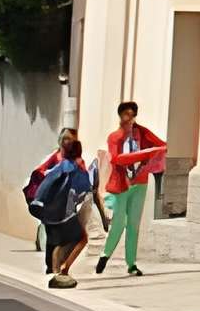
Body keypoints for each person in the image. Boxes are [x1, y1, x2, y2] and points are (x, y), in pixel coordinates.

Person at [95, 101, 167, 277]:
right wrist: (146, 154)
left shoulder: (141, 132)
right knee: (118, 223)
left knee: (134, 225)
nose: (129, 119)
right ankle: (105, 254)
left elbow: (162, 146)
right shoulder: (115, 137)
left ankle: (131, 264)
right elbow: (117, 159)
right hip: (121, 184)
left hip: (140, 183)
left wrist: (148, 159)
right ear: (120, 116)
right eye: (126, 115)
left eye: (132, 115)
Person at [23, 128, 97, 291]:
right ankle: (60, 271)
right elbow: (83, 187)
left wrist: (40, 200)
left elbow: (46, 183)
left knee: (56, 238)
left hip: (50, 208)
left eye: (69, 139)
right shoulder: (69, 163)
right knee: (77, 238)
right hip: (61, 211)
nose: (67, 142)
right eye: (65, 139)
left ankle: (54, 270)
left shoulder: (63, 163)